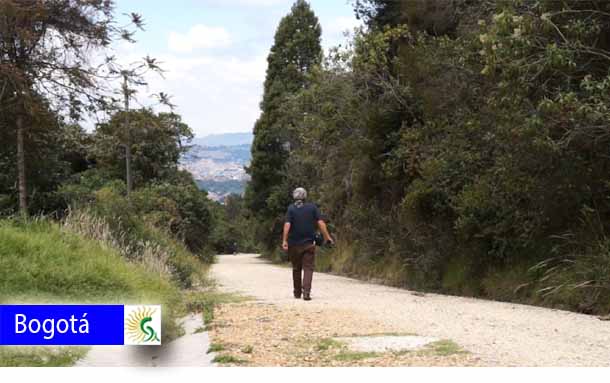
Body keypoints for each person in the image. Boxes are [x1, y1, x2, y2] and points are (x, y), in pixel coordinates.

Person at [282, 187, 334, 301]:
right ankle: (306, 292)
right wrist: (327, 237)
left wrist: (285, 240)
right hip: (309, 244)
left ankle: (297, 292)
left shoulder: (291, 209)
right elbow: (320, 223)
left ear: (294, 196)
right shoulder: (312, 207)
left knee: (296, 268)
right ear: (305, 196)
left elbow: (287, 225)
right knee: (308, 268)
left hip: (294, 244)